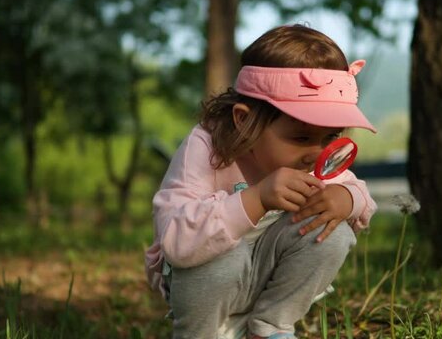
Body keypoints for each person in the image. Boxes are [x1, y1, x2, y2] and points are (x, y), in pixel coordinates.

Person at [145, 24, 378, 339]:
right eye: (301, 136)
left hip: (266, 273)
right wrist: (256, 199)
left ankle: (271, 326)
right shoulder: (206, 147)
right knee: (224, 251)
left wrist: (346, 199)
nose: (316, 152)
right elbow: (177, 241)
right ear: (244, 120)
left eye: (331, 136)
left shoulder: (312, 157)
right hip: (206, 284)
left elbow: (361, 195)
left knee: (334, 231)